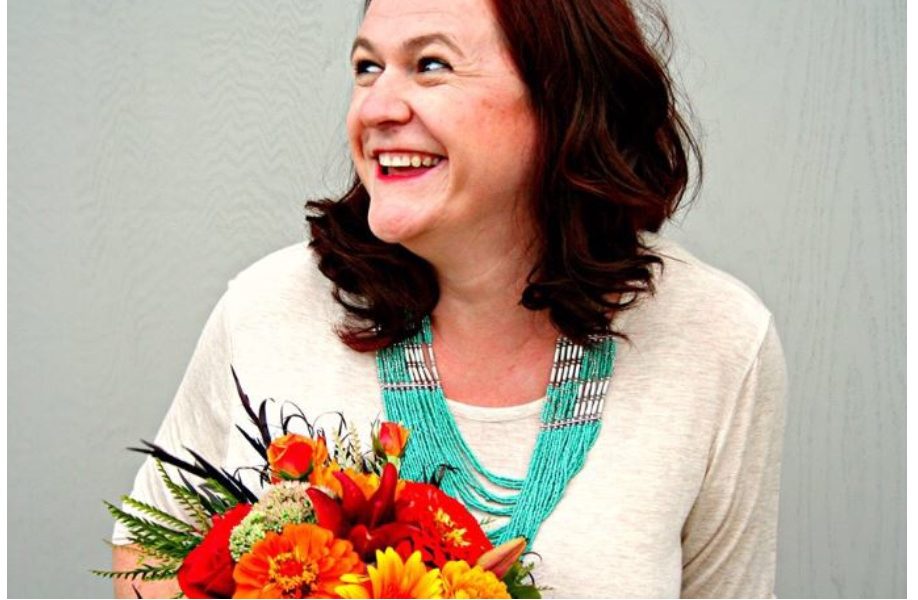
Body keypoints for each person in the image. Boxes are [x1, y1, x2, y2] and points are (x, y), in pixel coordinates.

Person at [112, 0, 787, 597]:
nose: (375, 108)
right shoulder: (267, 309)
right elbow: (146, 555)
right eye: (367, 67)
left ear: (564, 96)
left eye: (430, 65)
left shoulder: (718, 339)